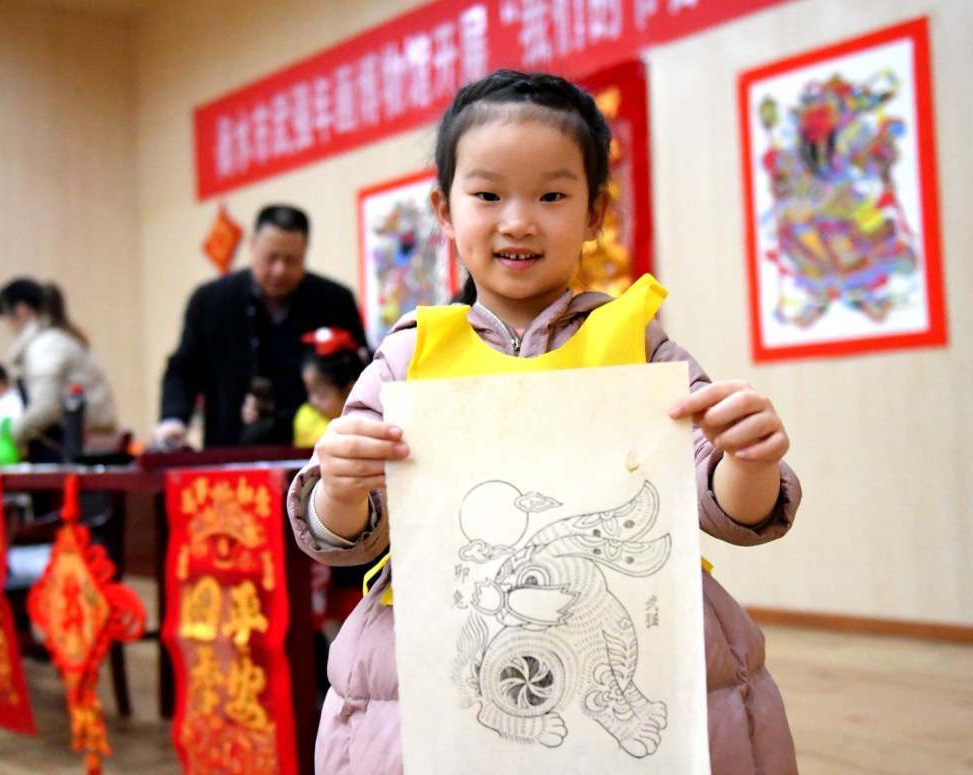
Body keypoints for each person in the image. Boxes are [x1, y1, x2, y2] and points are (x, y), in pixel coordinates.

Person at [285, 71, 803, 774]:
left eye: (552, 196)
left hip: (634, 642)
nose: (519, 221)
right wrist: (340, 486)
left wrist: (749, 460)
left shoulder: (639, 346)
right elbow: (348, 532)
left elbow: (722, 503)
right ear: (444, 211)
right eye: (487, 195)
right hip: (435, 666)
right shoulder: (408, 360)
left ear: (595, 214)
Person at [155, 205, 367, 448]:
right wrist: (173, 419)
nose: (280, 270)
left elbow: (363, 373)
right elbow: (183, 370)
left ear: (305, 253)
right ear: (253, 246)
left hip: (316, 451)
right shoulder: (209, 301)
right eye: (271, 258)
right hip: (229, 450)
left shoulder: (335, 300)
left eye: (291, 260)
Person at [0, 278, 118, 461]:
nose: (7, 327)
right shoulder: (54, 340)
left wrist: (11, 435)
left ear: (21, 310)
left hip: (73, 447)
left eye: (6, 317)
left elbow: (46, 407)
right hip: (77, 443)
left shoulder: (46, 345)